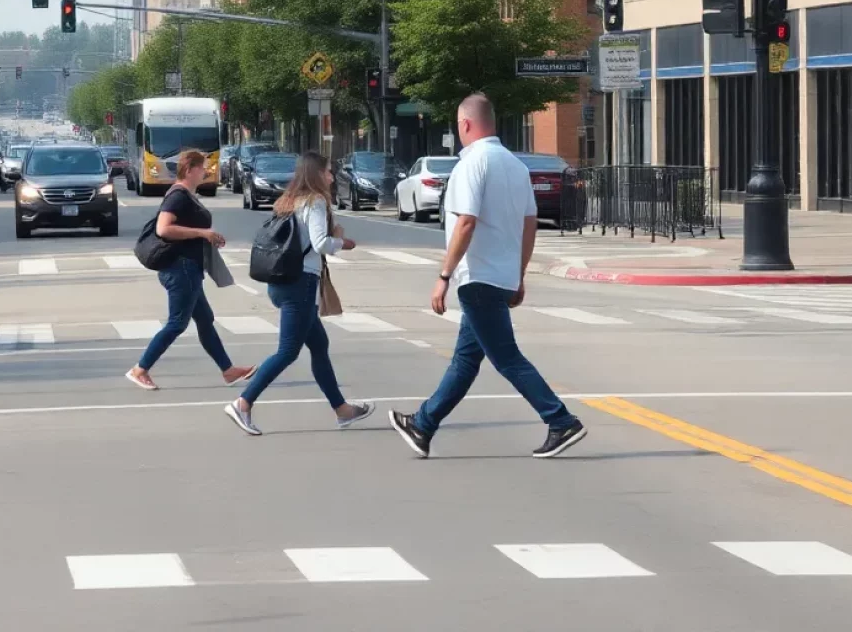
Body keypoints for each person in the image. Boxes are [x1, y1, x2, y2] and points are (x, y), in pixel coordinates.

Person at [389, 93, 587, 459]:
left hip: (477, 277)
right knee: (465, 361)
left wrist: (444, 275)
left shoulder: (471, 165)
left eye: (458, 124)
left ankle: (560, 420)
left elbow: (465, 222)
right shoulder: (514, 165)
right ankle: (423, 425)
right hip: (501, 277)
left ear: (465, 124)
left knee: (507, 357)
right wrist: (519, 274)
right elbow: (530, 225)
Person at [225, 151, 374, 435]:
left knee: (319, 345)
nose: (332, 177)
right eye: (328, 171)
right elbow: (319, 243)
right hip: (300, 285)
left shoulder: (288, 201)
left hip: (281, 282)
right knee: (288, 352)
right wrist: (342, 242)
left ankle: (342, 410)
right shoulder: (315, 201)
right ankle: (243, 403)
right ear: (316, 174)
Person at [127, 149, 257, 391]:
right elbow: (164, 229)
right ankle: (140, 369)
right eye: (202, 167)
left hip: (189, 267)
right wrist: (202, 233)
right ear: (189, 170)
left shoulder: (187, 195)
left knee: (205, 320)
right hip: (180, 267)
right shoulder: (178, 195)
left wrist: (207, 237)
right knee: (177, 323)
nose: (207, 171)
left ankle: (228, 371)